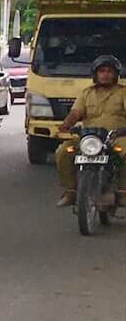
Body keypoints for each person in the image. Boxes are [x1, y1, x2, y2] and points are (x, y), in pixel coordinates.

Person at [54, 54, 126, 207]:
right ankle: (71, 191)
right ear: (95, 74)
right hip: (90, 137)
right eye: (102, 71)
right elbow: (76, 113)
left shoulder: (123, 92)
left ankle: (123, 192)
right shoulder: (86, 93)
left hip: (116, 136)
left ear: (116, 74)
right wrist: (66, 125)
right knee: (63, 152)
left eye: (109, 71)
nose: (105, 75)